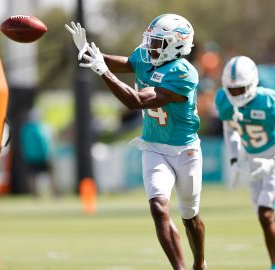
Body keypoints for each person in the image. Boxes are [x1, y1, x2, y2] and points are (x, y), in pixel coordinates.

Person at [66, 14, 206, 270]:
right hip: (154, 146)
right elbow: (119, 62)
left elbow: (136, 101)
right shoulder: (146, 56)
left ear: (177, 46)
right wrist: (85, 50)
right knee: (159, 207)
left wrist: (104, 72)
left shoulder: (184, 74)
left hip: (185, 149)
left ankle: (200, 263)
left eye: (158, 43)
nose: (150, 47)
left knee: (189, 215)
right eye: (150, 41)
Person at [214, 56, 275, 270]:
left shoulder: (268, 100)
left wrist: (273, 161)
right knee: (267, 219)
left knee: (266, 213)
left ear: (253, 83)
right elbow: (229, 129)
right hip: (253, 160)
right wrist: (234, 160)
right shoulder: (223, 100)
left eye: (240, 89)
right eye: (231, 89)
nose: (235, 95)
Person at [20, 109, 60, 197]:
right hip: (42, 156)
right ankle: (54, 193)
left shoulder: (26, 129)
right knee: (49, 175)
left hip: (30, 156)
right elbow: (44, 143)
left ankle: (35, 194)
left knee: (33, 176)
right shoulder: (41, 128)